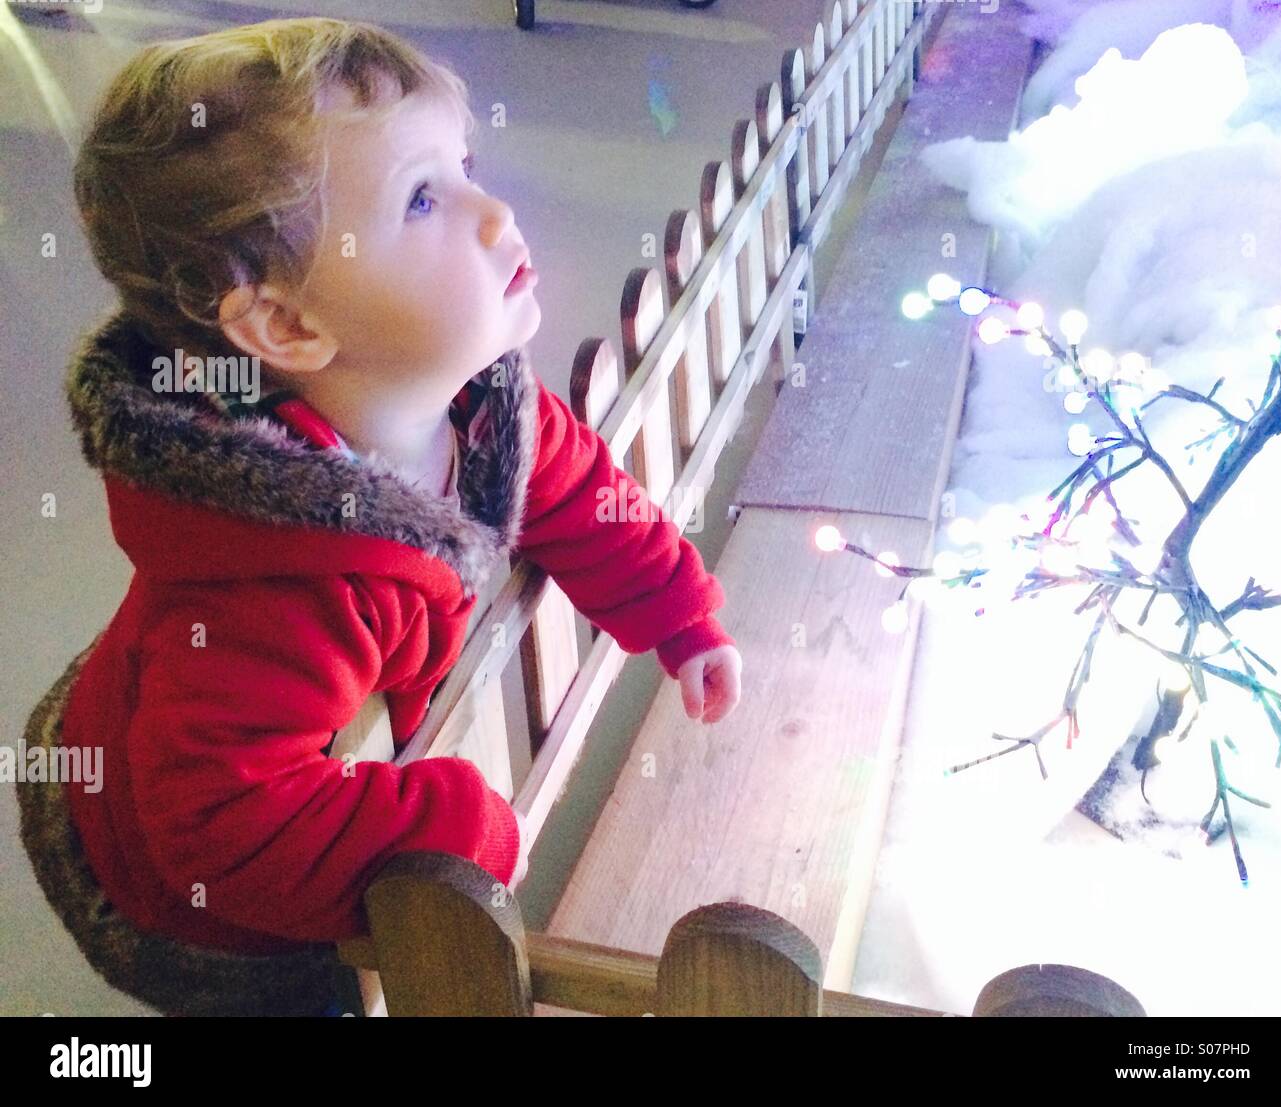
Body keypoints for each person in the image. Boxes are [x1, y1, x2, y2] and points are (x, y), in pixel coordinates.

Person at [18, 17, 742, 1017]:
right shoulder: (276, 593)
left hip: (200, 739)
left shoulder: (481, 405)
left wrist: (678, 612)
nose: (495, 214)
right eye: (421, 199)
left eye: (465, 166)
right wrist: (459, 827)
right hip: (184, 903)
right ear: (286, 326)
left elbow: (581, 490)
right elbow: (224, 831)